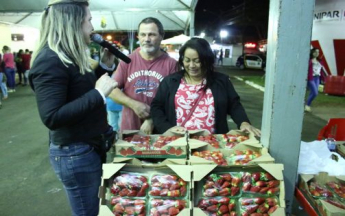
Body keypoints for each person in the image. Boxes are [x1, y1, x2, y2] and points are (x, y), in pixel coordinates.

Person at [28, 0, 117, 215]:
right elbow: (52, 116)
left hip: (86, 148)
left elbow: (79, 91)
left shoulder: (69, 55)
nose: (92, 27)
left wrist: (104, 67)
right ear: (73, 23)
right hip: (75, 154)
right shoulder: (49, 60)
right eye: (89, 20)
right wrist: (98, 94)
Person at [151, 38, 261, 136]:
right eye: (187, 60)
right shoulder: (170, 81)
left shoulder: (221, 81)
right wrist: (167, 128)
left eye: (197, 61)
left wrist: (244, 122)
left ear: (207, 60)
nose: (192, 65)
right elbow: (156, 107)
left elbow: (234, 105)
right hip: (179, 143)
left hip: (212, 146)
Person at [109, 17, 178, 134]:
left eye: (151, 34)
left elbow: (174, 99)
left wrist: (152, 119)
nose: (146, 39)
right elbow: (111, 90)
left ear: (161, 36)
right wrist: (133, 104)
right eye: (143, 34)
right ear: (138, 36)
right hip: (130, 130)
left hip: (161, 131)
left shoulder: (171, 64)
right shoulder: (127, 61)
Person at [305, 48, 327, 112]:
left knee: (313, 92)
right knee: (315, 93)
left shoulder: (320, 61)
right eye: (315, 52)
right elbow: (306, 68)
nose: (317, 53)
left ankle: (307, 105)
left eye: (318, 52)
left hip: (317, 78)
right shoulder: (309, 60)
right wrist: (310, 61)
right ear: (312, 52)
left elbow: (321, 70)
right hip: (310, 78)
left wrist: (323, 78)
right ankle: (307, 105)